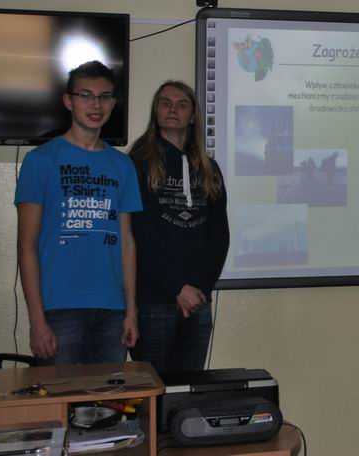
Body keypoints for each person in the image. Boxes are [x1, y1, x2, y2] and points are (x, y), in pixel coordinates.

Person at [15, 60, 141, 365]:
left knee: (108, 396)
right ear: (68, 101)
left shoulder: (123, 165)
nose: (96, 105)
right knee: (60, 395)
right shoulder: (40, 160)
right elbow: (26, 246)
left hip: (112, 310)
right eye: (86, 95)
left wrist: (131, 310)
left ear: (113, 103)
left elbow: (127, 242)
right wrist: (37, 320)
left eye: (104, 96)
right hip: (59, 309)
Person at [129, 80, 230, 374]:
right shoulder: (137, 164)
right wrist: (177, 287)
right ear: (156, 111)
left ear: (193, 115)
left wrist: (199, 288)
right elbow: (141, 233)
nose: (173, 110)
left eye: (182, 105)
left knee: (188, 393)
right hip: (153, 303)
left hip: (197, 302)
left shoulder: (209, 169)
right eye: (166, 103)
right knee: (154, 392)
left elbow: (219, 236)